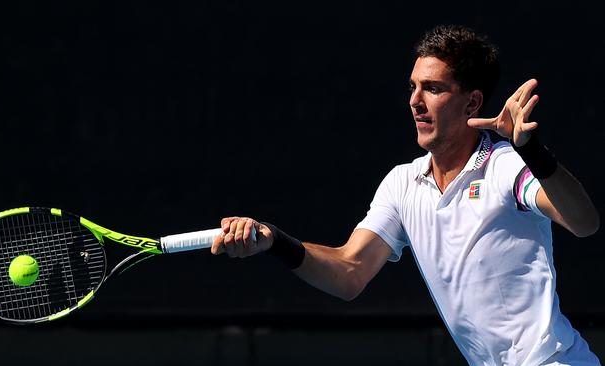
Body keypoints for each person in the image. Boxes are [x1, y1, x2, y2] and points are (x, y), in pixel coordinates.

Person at [211, 24, 601, 366]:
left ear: (473, 102)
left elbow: (584, 224)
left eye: (432, 88)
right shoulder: (402, 183)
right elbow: (350, 272)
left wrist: (530, 151)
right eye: (413, 87)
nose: (415, 101)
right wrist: (275, 241)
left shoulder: (505, 166)